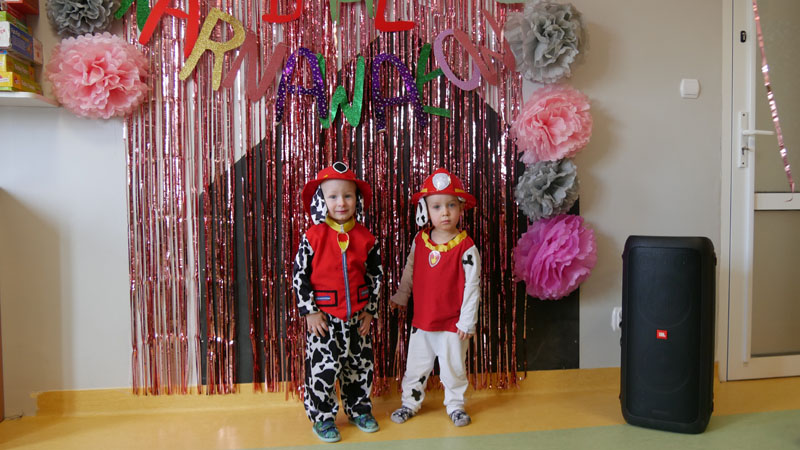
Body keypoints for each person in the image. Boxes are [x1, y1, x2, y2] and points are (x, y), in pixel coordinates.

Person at [292, 162, 383, 443]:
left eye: (348, 195)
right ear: (322, 200)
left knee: (360, 368)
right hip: (324, 320)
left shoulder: (366, 238)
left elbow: (375, 275)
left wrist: (370, 311)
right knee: (323, 370)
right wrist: (309, 311)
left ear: (357, 199)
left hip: (358, 319)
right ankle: (322, 417)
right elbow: (299, 275)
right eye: (333, 196)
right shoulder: (313, 237)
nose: (341, 202)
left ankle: (359, 410)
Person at [390, 168, 481, 427]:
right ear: (426, 210)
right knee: (416, 367)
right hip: (422, 322)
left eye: (451, 205)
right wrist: (402, 295)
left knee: (453, 369)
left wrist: (467, 321)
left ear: (461, 208)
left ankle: (455, 405)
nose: (445, 212)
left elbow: (473, 285)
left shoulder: (466, 247)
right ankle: (410, 403)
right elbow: (410, 269)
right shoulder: (420, 241)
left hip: (453, 324)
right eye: (437, 206)